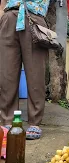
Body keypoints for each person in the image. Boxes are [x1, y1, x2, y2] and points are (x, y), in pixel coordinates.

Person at [0, 0, 51, 140]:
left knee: (36, 76)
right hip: (9, 18)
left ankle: (35, 122)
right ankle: (7, 120)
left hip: (34, 18)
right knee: (6, 74)